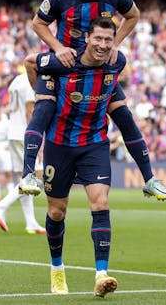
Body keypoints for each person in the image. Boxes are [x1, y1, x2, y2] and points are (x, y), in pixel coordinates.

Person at [20, 0, 166, 201]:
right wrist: (58, 48)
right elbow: (38, 23)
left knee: (124, 118)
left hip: (98, 65)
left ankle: (149, 179)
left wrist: (115, 43)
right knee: (44, 110)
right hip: (64, 66)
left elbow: (133, 15)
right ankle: (27, 174)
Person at [24, 17, 124, 297]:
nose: (103, 44)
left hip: (94, 143)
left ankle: (101, 275)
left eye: (108, 39)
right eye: (98, 38)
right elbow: (31, 62)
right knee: (57, 211)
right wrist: (45, 97)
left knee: (100, 202)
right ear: (87, 39)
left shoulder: (117, 62)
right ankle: (57, 269)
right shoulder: (63, 60)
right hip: (59, 144)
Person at [0, 72, 46, 234]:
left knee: (25, 178)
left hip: (13, 133)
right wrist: (36, 138)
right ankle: (1, 206)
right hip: (25, 134)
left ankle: (31, 222)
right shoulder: (32, 81)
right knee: (38, 177)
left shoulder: (16, 81)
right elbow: (29, 110)